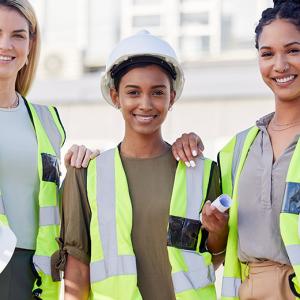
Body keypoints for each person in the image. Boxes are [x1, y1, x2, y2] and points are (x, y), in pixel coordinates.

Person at [54, 30, 229, 300]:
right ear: (115, 96)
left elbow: (213, 258)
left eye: (157, 92)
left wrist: (218, 231)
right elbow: (77, 271)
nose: (145, 104)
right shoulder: (86, 173)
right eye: (133, 92)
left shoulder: (201, 171)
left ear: (172, 98)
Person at [172, 0, 300, 299]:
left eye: (294, 50)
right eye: (267, 54)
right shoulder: (237, 148)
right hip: (248, 289)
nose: (279, 65)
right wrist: (216, 227)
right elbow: (218, 249)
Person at [0, 1, 98, 299]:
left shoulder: (47, 120)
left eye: (18, 35)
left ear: (30, 46)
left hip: (35, 274)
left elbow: (49, 199)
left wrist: (83, 169)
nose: (6, 44)